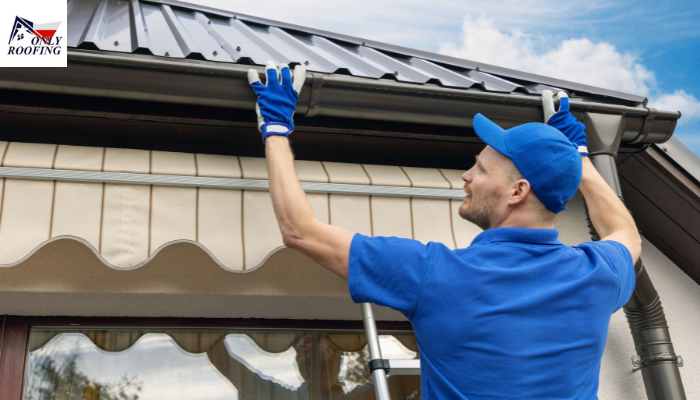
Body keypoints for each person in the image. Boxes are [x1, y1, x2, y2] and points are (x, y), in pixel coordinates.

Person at [247, 61, 639, 399]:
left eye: (481, 169)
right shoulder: (597, 274)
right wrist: (579, 161)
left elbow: (300, 231)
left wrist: (276, 130)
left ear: (518, 191)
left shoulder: (435, 274)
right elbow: (626, 233)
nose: (467, 176)